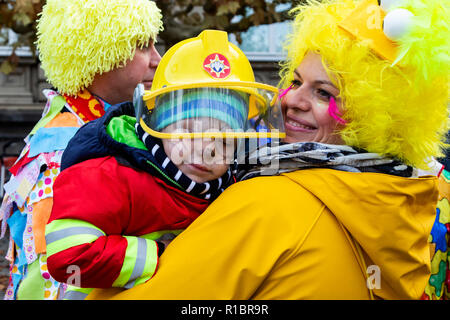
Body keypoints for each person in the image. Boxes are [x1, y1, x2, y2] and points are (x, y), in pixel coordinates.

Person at [87, 0, 449, 300]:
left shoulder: (272, 200)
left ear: (373, 118)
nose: (292, 99)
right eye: (295, 80)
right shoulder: (399, 198)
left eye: (324, 93)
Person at [45, 30, 285, 300]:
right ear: (156, 124)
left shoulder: (231, 189)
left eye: (224, 140)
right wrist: (159, 254)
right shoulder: (108, 174)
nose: (207, 150)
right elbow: (69, 255)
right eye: (189, 132)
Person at [0, 0, 163, 300]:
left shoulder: (98, 122)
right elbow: (50, 278)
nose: (158, 59)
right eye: (142, 45)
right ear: (98, 53)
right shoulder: (62, 145)